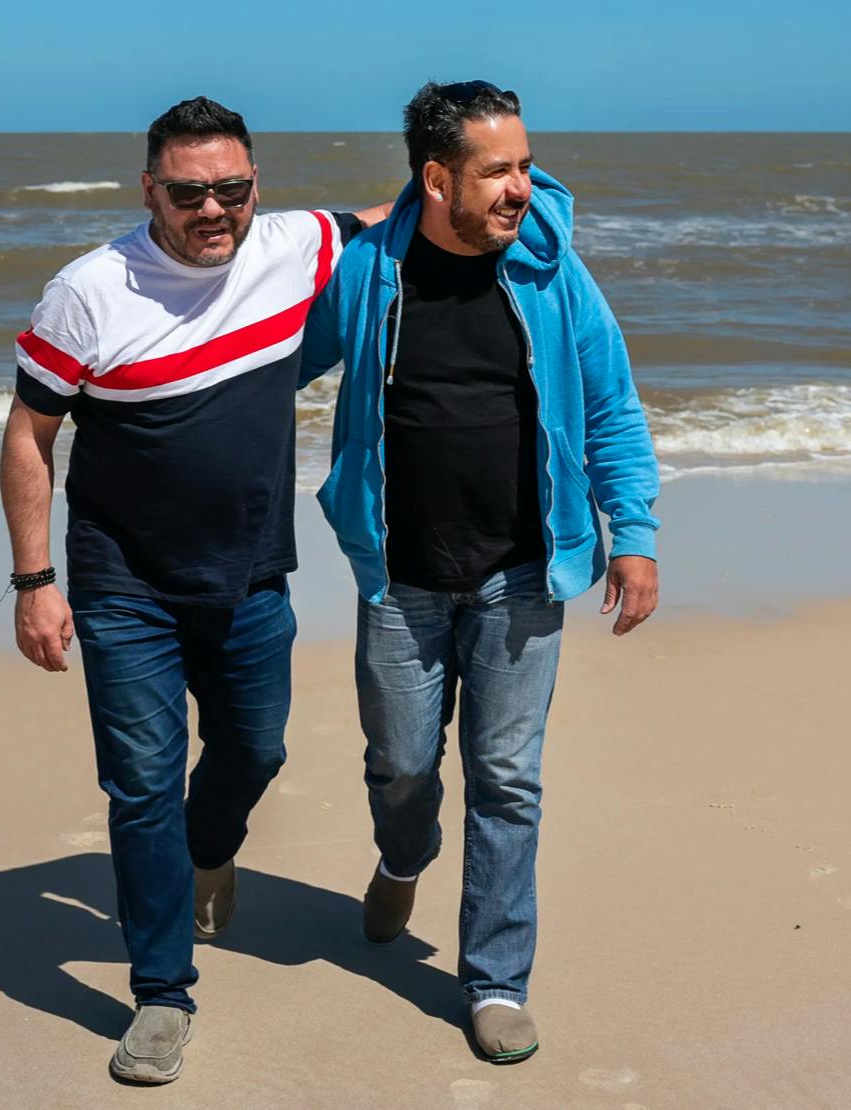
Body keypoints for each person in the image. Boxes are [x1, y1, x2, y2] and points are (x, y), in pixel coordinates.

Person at [0, 95, 385, 1085]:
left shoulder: (296, 244)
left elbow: (408, 216)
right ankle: (161, 995)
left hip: (253, 576)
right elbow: (29, 437)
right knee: (139, 789)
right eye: (188, 193)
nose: (212, 209)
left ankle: (211, 850)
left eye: (232, 188)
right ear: (150, 191)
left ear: (257, 182)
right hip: (125, 585)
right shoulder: (88, 292)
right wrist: (34, 580)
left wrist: (513, 177)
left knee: (256, 747)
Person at [301, 79, 661, 1064]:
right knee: (404, 763)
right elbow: (271, 361)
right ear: (436, 178)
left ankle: (496, 981)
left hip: (522, 576)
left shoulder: (552, 271)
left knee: (507, 780)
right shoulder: (369, 271)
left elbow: (613, 404)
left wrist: (633, 533)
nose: (522, 188)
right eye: (498, 170)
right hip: (400, 580)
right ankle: (403, 856)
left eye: (526, 165)